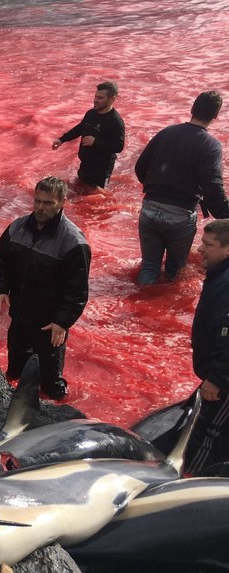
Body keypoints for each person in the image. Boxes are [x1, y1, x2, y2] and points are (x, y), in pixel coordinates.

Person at [0, 176, 91, 401]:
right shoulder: (17, 228)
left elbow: (78, 290)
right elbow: (0, 261)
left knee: (51, 385)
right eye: (37, 201)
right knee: (14, 372)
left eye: (48, 203)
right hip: (20, 316)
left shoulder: (74, 242)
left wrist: (63, 322)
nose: (40, 208)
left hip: (50, 325)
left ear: (62, 202)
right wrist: (0, 289)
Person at [135, 90, 229, 285]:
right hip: (180, 215)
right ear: (216, 116)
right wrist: (225, 213)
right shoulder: (210, 145)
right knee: (175, 272)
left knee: (149, 266)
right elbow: (212, 186)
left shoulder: (166, 132)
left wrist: (157, 188)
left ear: (192, 109)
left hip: (149, 207)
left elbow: (140, 167)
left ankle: (137, 305)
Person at [186, 219, 229, 474]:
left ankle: (189, 485)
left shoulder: (226, 283)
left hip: (223, 381)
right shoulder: (219, 276)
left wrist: (216, 378)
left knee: (207, 436)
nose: (200, 249)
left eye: (208, 245)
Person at [51, 80, 124, 192]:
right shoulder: (91, 113)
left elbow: (118, 146)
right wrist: (62, 139)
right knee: (78, 191)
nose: (95, 100)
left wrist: (96, 142)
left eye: (100, 98)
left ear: (112, 99)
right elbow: (80, 128)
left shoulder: (115, 121)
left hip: (101, 170)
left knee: (98, 198)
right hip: (85, 164)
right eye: (95, 96)